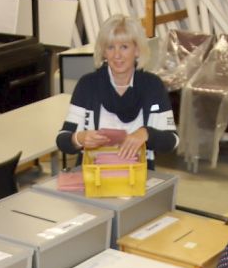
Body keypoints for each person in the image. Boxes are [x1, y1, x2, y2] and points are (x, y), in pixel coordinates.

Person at [55, 14, 178, 169]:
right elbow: (62, 139)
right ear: (104, 52)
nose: (117, 55)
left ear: (137, 51)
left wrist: (147, 134)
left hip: (138, 178)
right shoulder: (87, 85)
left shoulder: (153, 86)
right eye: (111, 47)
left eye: (124, 47)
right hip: (94, 177)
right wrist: (79, 138)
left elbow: (171, 141)